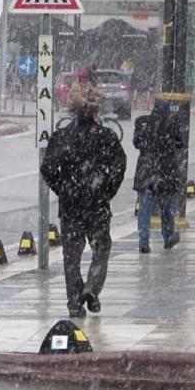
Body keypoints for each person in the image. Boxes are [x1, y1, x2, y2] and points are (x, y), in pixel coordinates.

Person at [41, 92, 126, 318]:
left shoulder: (62, 137)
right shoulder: (106, 137)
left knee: (71, 256)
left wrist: (63, 188)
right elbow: (120, 165)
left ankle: (74, 302)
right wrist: (107, 190)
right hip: (97, 204)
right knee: (101, 248)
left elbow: (47, 168)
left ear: (73, 113)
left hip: (71, 206)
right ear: (96, 113)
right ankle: (92, 288)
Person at [132, 102, 183, 253]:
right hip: (165, 172)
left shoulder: (142, 122)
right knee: (166, 208)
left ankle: (143, 240)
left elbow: (136, 143)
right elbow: (180, 143)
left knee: (144, 208)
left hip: (146, 171)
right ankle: (168, 236)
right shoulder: (172, 124)